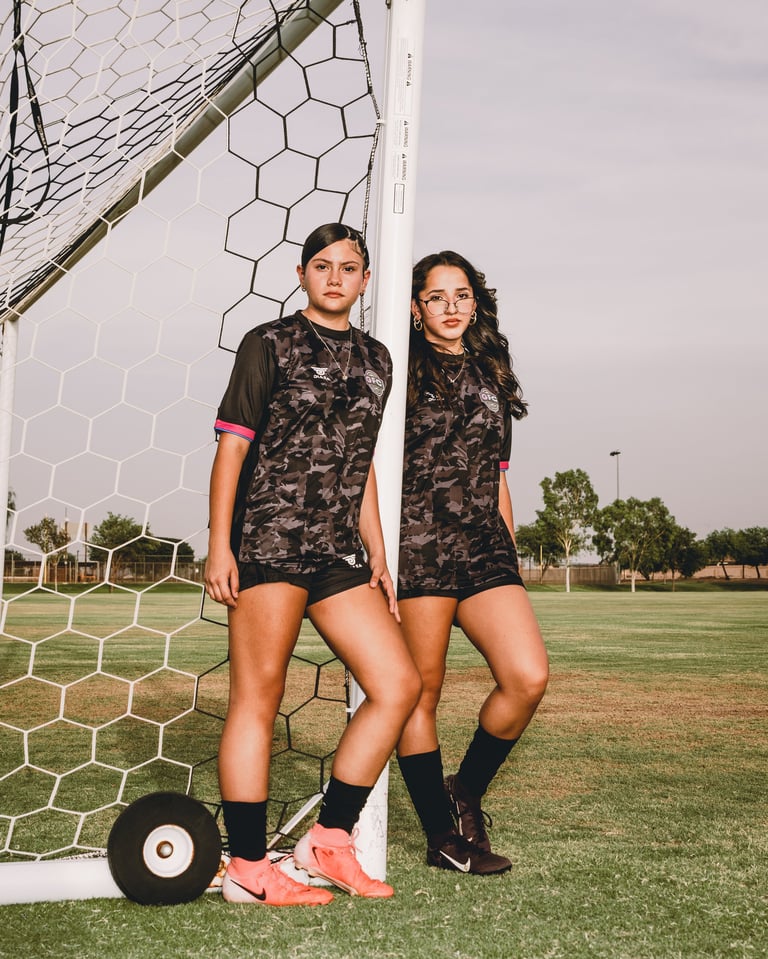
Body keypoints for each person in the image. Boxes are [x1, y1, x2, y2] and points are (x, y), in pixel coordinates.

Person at [205, 223, 420, 906]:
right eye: (322, 266)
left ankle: (328, 840)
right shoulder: (267, 343)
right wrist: (220, 544)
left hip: (337, 553)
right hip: (269, 543)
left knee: (397, 684)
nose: (335, 277)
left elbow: (361, 462)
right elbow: (232, 448)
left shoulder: (379, 359)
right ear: (301, 275)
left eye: (348, 267)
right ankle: (247, 865)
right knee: (257, 700)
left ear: (364, 280)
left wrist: (377, 547)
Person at [395, 250, 549, 875]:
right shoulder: (398, 366)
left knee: (527, 677)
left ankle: (465, 791)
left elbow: (499, 473)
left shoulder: (492, 373)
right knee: (421, 692)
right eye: (437, 297)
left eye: (462, 295)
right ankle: (441, 836)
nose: (451, 307)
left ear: (476, 303)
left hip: (485, 548)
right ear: (416, 308)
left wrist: (509, 551)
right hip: (419, 545)